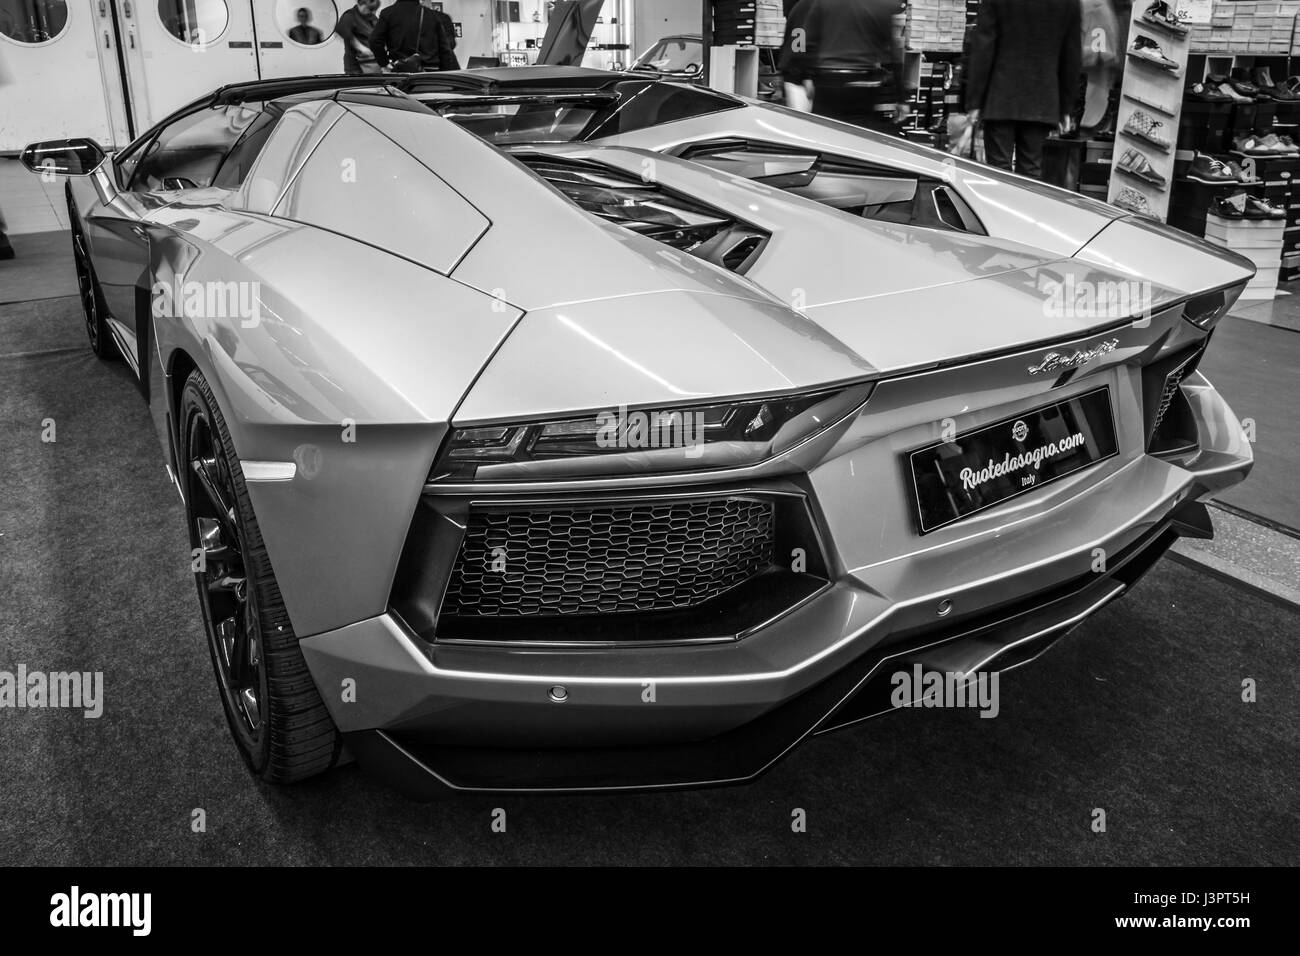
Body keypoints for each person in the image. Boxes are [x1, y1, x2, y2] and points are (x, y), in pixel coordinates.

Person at [966, 0, 1082, 179]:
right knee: (1031, 170)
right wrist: (1066, 107)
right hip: (1042, 97)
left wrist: (975, 100)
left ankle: (998, 207)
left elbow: (983, 47)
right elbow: (1071, 55)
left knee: (998, 171)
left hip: (1001, 95)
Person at [781, 0, 913, 133]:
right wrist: (901, 97)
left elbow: (799, 36)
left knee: (821, 135)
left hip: (826, 83)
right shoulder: (885, 4)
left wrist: (801, 75)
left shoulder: (812, 4)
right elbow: (896, 52)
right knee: (857, 137)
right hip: (865, 85)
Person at [370, 0, 454, 72]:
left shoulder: (387, 13)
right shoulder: (432, 15)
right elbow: (445, 50)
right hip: (430, 72)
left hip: (401, 72)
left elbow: (374, 41)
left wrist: (385, 64)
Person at [337, 0, 380, 73]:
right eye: (370, 9)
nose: (372, 12)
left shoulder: (372, 18)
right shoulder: (349, 16)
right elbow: (342, 30)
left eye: (374, 10)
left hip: (372, 62)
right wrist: (360, 47)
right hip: (355, 64)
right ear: (362, 5)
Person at [429, 3, 460, 71]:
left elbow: (451, 43)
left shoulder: (438, 18)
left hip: (443, 68)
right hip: (449, 68)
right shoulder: (443, 17)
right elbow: (452, 43)